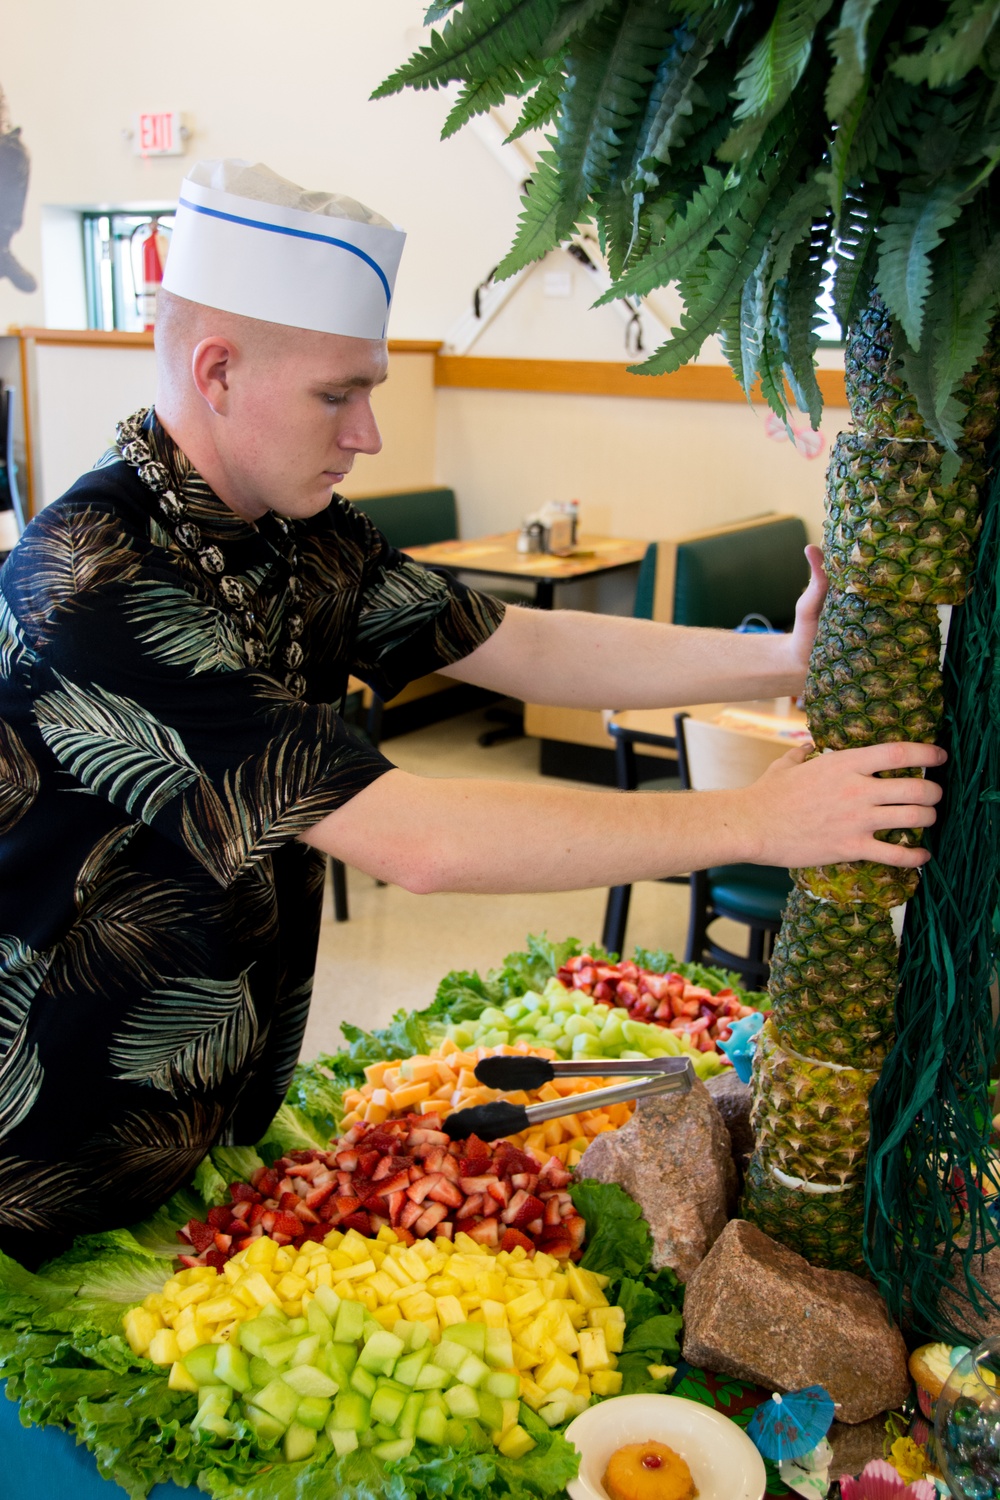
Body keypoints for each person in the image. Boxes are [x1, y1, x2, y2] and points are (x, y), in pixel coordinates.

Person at [0, 160, 943, 1266]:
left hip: (211, 1110)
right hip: (52, 1146)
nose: (368, 434)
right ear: (217, 371)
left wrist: (778, 659)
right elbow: (419, 842)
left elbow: (519, 643)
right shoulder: (96, 582)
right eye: (337, 395)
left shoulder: (295, 533)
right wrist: (757, 823)